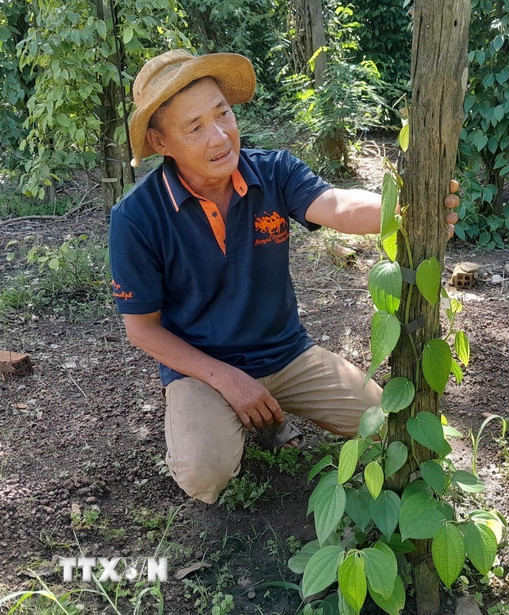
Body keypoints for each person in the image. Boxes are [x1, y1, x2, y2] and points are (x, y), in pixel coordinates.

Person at [109, 49, 459, 504]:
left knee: (389, 423)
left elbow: (335, 205)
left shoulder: (272, 172)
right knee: (204, 473)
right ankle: (245, 418)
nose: (219, 137)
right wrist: (229, 381)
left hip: (287, 354)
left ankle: (269, 414)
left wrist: (410, 209)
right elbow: (141, 329)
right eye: (194, 127)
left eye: (223, 114)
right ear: (160, 143)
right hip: (202, 370)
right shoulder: (137, 217)